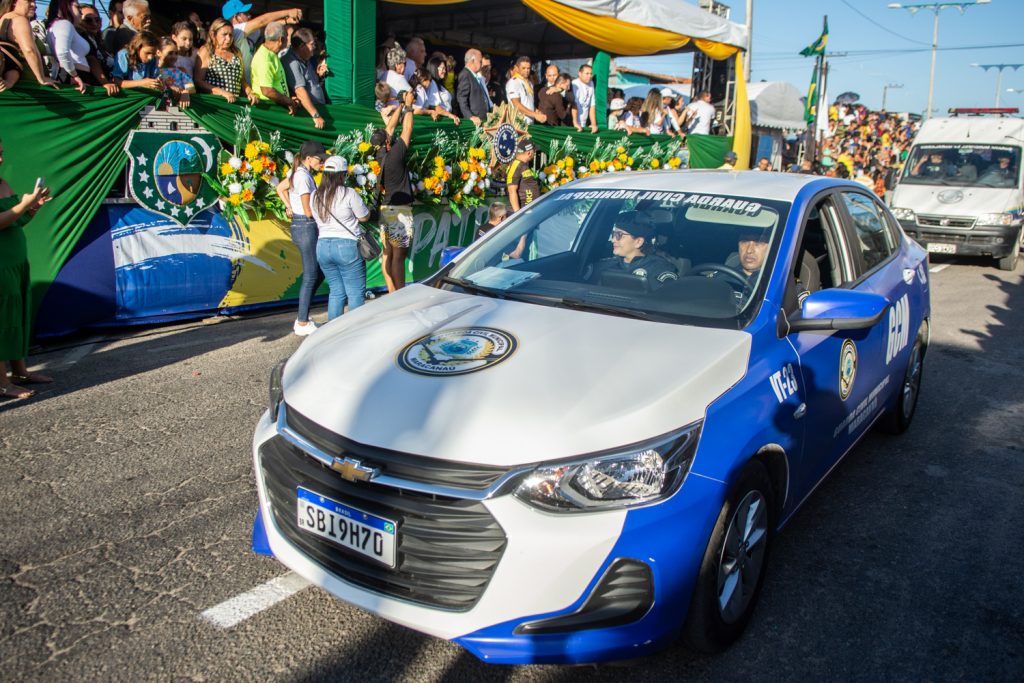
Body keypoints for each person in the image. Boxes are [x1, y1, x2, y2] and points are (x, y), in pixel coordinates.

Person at [0, 137, 53, 399]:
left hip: (16, 262)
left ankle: (20, 372)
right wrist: (24, 203)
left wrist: (32, 210)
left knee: (17, 316)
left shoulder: (3, 184)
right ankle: (2, 382)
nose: (0, 159)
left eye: (1, 152)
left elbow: (14, 222)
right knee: (1, 321)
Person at [275, 140, 327, 335]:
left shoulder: (296, 173)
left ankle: (303, 316)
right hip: (306, 226)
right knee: (312, 274)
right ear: (308, 158)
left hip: (300, 226)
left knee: (318, 272)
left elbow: (280, 189)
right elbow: (307, 211)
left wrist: (289, 205)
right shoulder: (303, 177)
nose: (321, 162)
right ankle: (302, 321)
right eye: (319, 158)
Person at [312, 156, 370, 321]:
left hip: (322, 246)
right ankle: (355, 331)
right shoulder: (348, 193)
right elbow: (364, 217)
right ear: (341, 175)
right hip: (346, 246)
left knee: (336, 291)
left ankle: (333, 333)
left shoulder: (315, 195)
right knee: (355, 293)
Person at [371, 89, 416, 292]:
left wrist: (399, 104)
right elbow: (406, 129)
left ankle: (391, 291)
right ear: (388, 142)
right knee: (399, 256)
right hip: (400, 212)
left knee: (387, 254)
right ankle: (399, 293)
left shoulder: (379, 154)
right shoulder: (395, 155)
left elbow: (390, 127)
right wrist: (408, 106)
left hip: (385, 209)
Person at [589, 212, 677, 289]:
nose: (613, 240)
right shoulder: (603, 266)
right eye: (613, 234)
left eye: (619, 235)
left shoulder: (660, 270)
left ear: (638, 242)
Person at [221, 1, 302, 82]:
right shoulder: (236, 30)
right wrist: (287, 12)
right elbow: (261, 21)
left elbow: (265, 28)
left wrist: (286, 21)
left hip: (248, 88)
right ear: (236, 17)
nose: (249, 15)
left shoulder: (245, 32)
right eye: (245, 13)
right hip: (240, 87)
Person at [195, 18, 258, 104]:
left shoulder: (236, 52)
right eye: (224, 35)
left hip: (234, 103)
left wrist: (250, 92)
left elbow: (241, 80)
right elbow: (199, 81)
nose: (228, 39)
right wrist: (222, 92)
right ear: (213, 35)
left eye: (230, 35)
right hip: (214, 103)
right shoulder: (207, 51)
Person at [0, 0, 58, 90]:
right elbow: (29, 50)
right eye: (29, 1)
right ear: (14, 2)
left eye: (34, 1)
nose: (34, 5)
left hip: (16, 80)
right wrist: (41, 78)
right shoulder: (19, 20)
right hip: (30, 81)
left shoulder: (3, 18)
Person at [282, 28, 325, 129]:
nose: (314, 48)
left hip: (319, 109)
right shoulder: (291, 62)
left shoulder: (305, 58)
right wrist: (315, 115)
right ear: (302, 46)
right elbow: (299, 90)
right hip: (309, 118)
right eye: (312, 44)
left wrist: (318, 75)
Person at [249, 21, 294, 114]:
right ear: (281, 40)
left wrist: (289, 99)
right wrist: (289, 101)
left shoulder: (272, 54)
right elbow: (267, 90)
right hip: (269, 110)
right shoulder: (265, 59)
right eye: (286, 38)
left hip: (277, 108)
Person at [44, 0, 88, 93]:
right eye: (77, 7)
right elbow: (62, 52)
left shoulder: (59, 25)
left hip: (73, 75)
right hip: (75, 77)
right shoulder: (64, 24)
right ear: (65, 6)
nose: (81, 12)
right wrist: (75, 76)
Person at [77, 4, 117, 93]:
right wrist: (105, 83)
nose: (94, 23)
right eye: (88, 20)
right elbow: (92, 60)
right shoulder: (82, 39)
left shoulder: (99, 41)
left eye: (97, 20)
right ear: (79, 20)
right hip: (94, 90)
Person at [506, 55, 546, 124]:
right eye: (523, 68)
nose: (526, 71)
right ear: (517, 68)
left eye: (528, 68)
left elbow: (527, 102)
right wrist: (534, 114)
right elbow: (516, 104)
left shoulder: (529, 83)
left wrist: (536, 111)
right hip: (519, 123)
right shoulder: (513, 82)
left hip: (530, 122)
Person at [156, 37, 193, 107]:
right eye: (170, 53)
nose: (174, 56)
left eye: (176, 53)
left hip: (177, 109)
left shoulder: (179, 71)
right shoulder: (154, 71)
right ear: (158, 52)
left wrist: (186, 92)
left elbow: (191, 87)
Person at [456, 48, 489, 125]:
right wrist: (470, 116)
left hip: (481, 120)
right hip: (474, 122)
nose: (481, 64)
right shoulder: (465, 74)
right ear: (472, 61)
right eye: (480, 61)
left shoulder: (473, 76)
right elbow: (461, 99)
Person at [506, 138, 540, 214]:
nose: (535, 153)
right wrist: (517, 214)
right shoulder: (516, 165)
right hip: (520, 212)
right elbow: (512, 190)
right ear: (529, 153)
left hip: (527, 210)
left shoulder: (523, 165)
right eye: (534, 151)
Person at [570, 63, 597, 133]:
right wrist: (575, 123)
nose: (589, 76)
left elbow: (592, 106)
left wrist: (593, 124)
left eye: (591, 74)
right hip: (574, 124)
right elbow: (574, 105)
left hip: (584, 123)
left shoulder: (591, 84)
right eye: (587, 73)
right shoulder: (575, 84)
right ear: (580, 73)